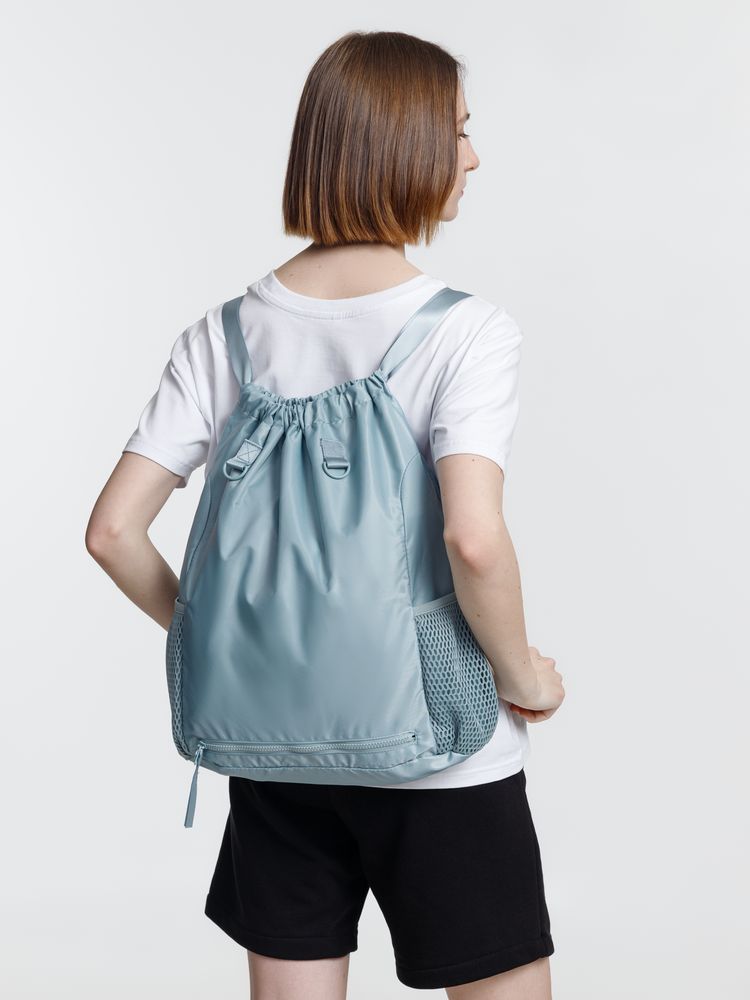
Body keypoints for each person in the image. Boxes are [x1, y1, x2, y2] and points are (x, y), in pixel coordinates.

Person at [85, 29, 565, 1000]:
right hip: (441, 748)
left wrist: (227, 636)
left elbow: (112, 532)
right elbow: (472, 538)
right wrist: (524, 675)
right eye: (458, 131)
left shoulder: (222, 333)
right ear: (403, 145)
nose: (473, 156)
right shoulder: (466, 332)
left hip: (272, 747)